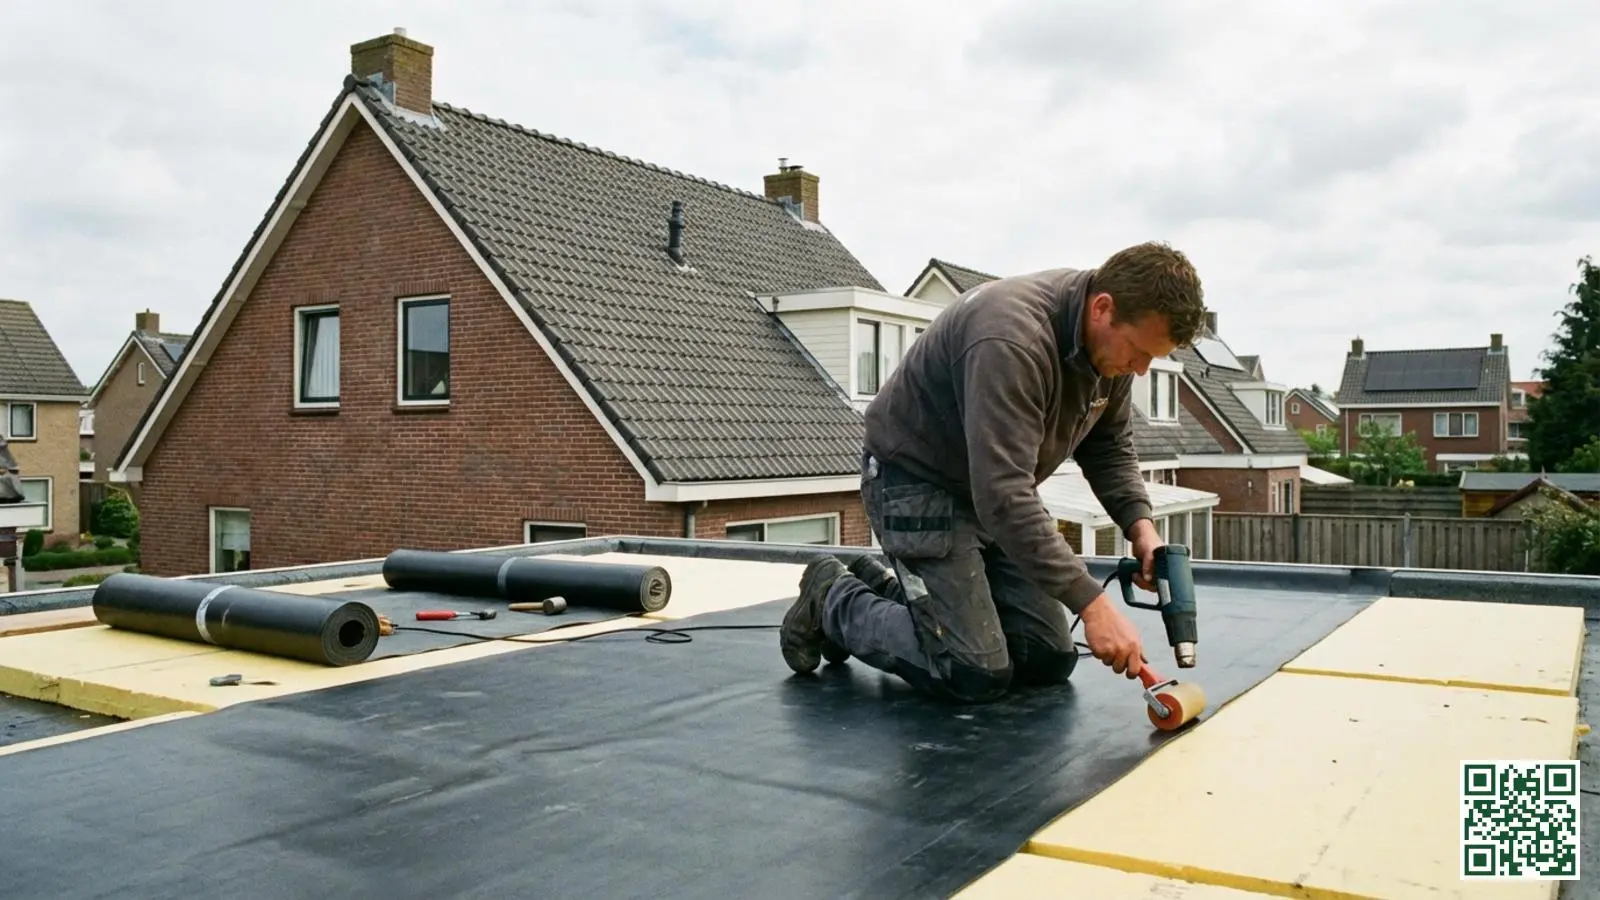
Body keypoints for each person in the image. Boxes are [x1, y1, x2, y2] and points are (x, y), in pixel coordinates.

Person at [779, 241, 1209, 704]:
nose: (1141, 370)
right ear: (1103, 308)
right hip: (916, 482)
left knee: (1046, 658)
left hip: (988, 489)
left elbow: (1108, 448)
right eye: (1139, 352)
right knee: (972, 669)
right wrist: (1092, 603)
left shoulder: (1109, 349)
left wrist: (1141, 529)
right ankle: (832, 595)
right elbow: (1003, 495)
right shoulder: (1012, 340)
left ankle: (887, 587)